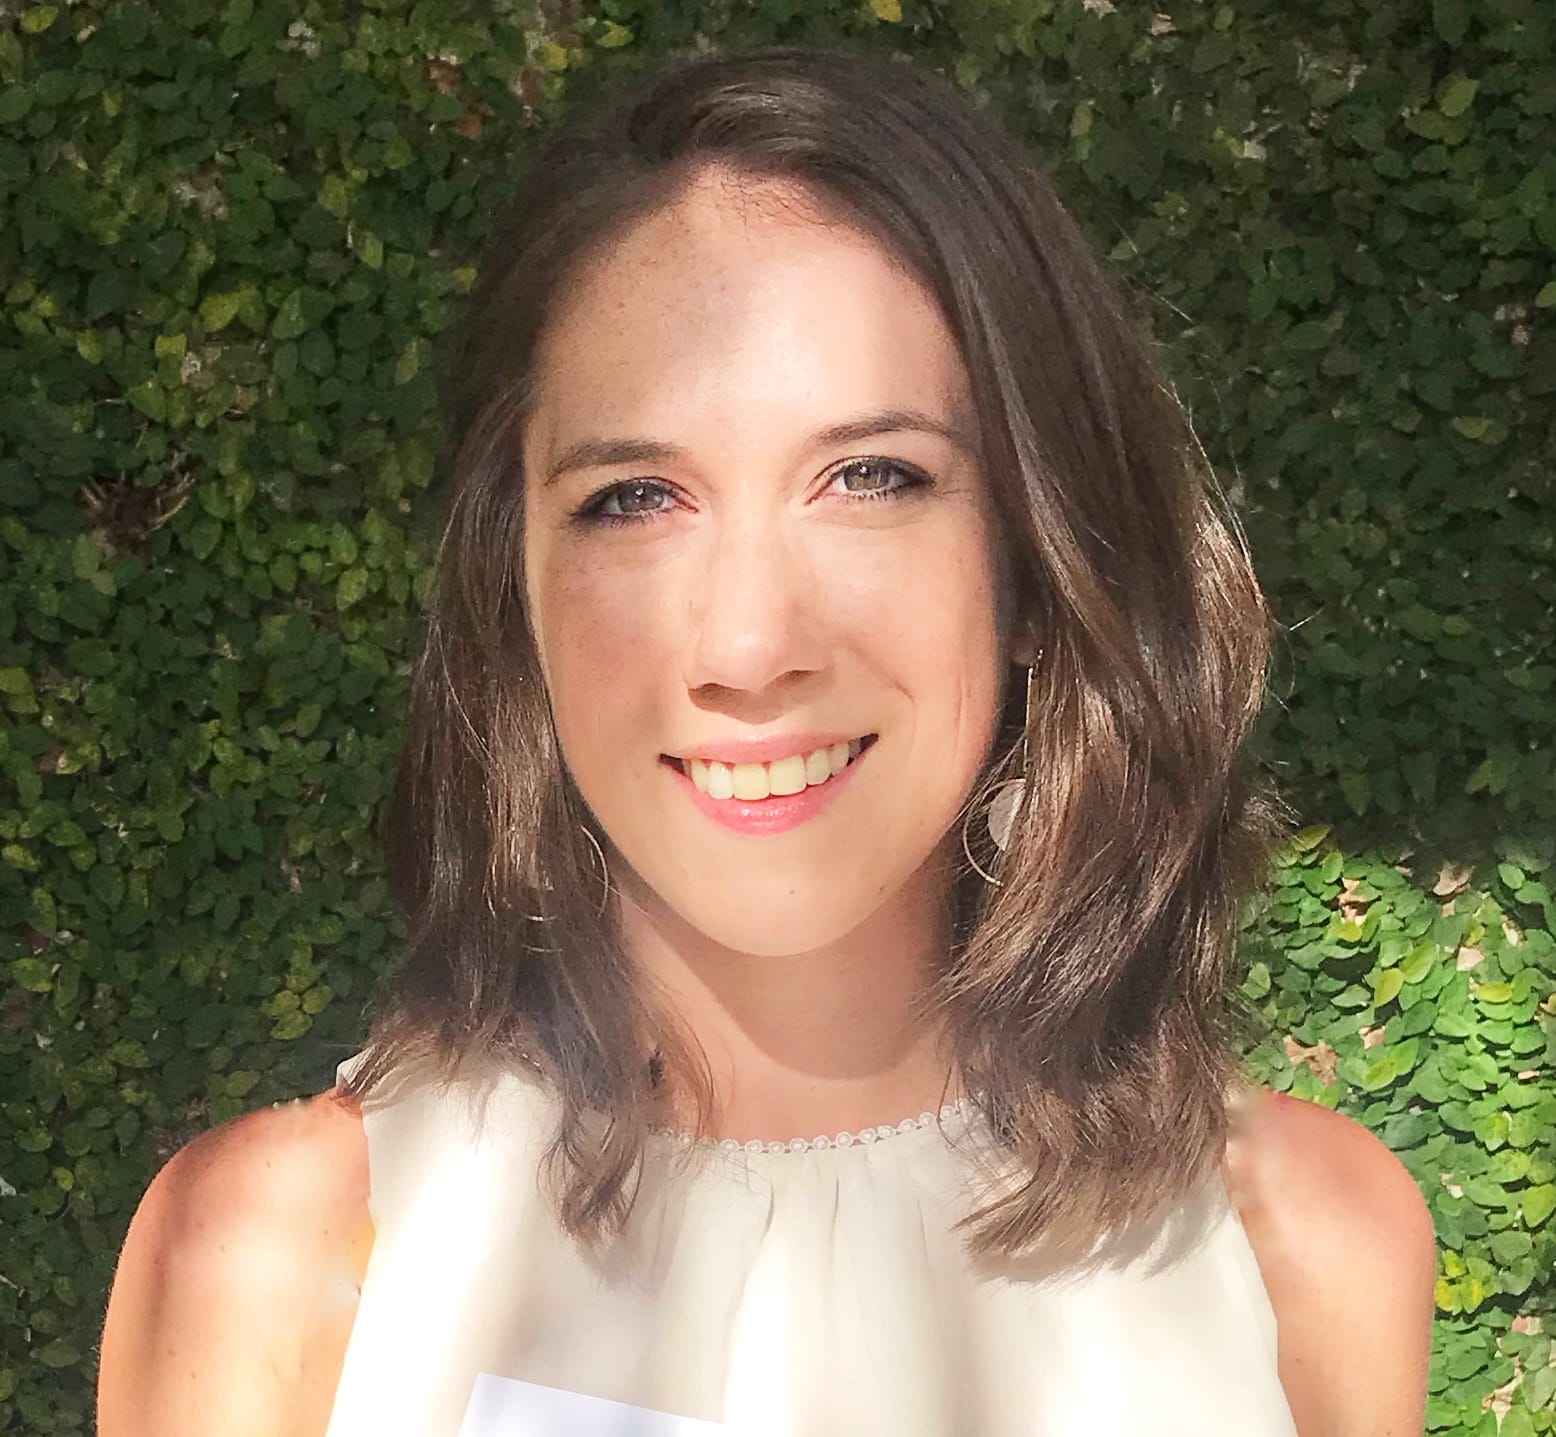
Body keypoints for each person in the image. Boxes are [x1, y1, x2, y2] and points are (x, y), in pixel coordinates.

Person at [97, 44, 1436, 1437]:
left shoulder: (1311, 1247)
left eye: (872, 477)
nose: (746, 647)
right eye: (634, 497)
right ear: (518, 583)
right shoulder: (274, 1257)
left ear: (1039, 567)